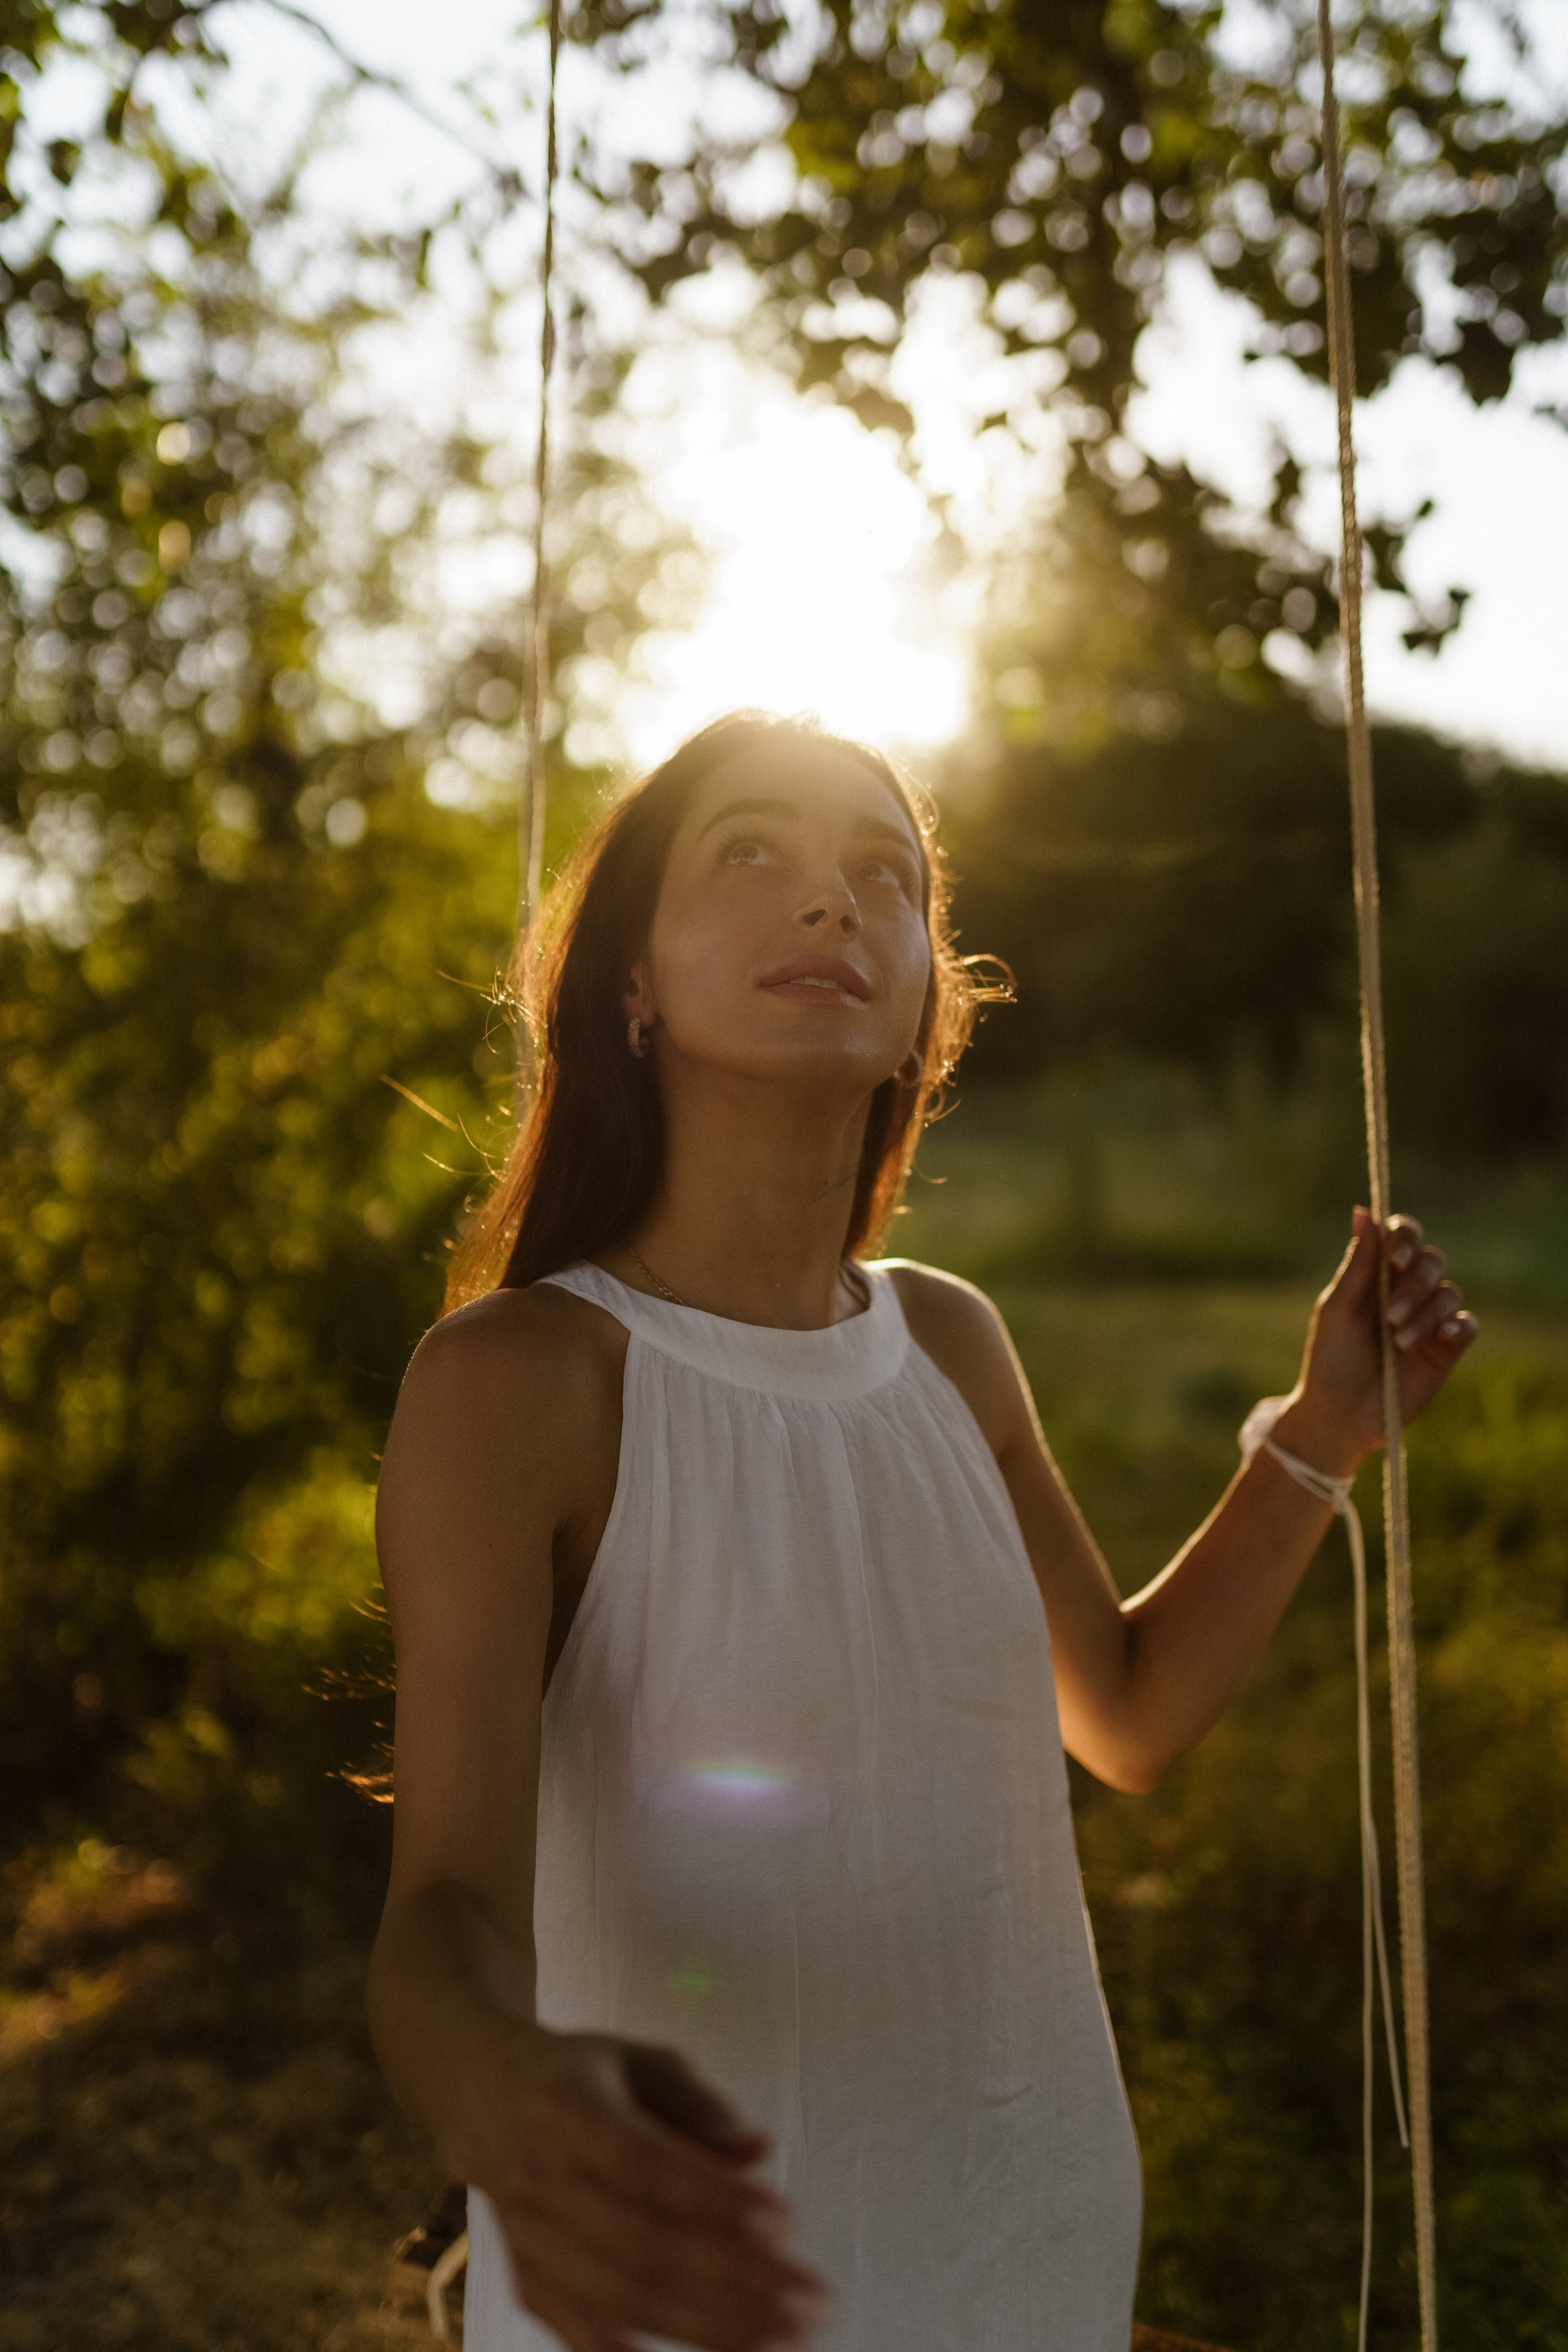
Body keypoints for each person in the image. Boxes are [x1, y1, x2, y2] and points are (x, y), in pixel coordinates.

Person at [368, 710, 1477, 2352]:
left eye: (883, 875)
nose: (833, 902)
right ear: (631, 985)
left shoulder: (952, 1342)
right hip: (695, 2278)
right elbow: (440, 1909)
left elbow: (1129, 1711)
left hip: (1022, 2230)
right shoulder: (518, 1382)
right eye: (752, 852)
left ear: (922, 1018)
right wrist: (508, 2105)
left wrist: (1319, 1436)